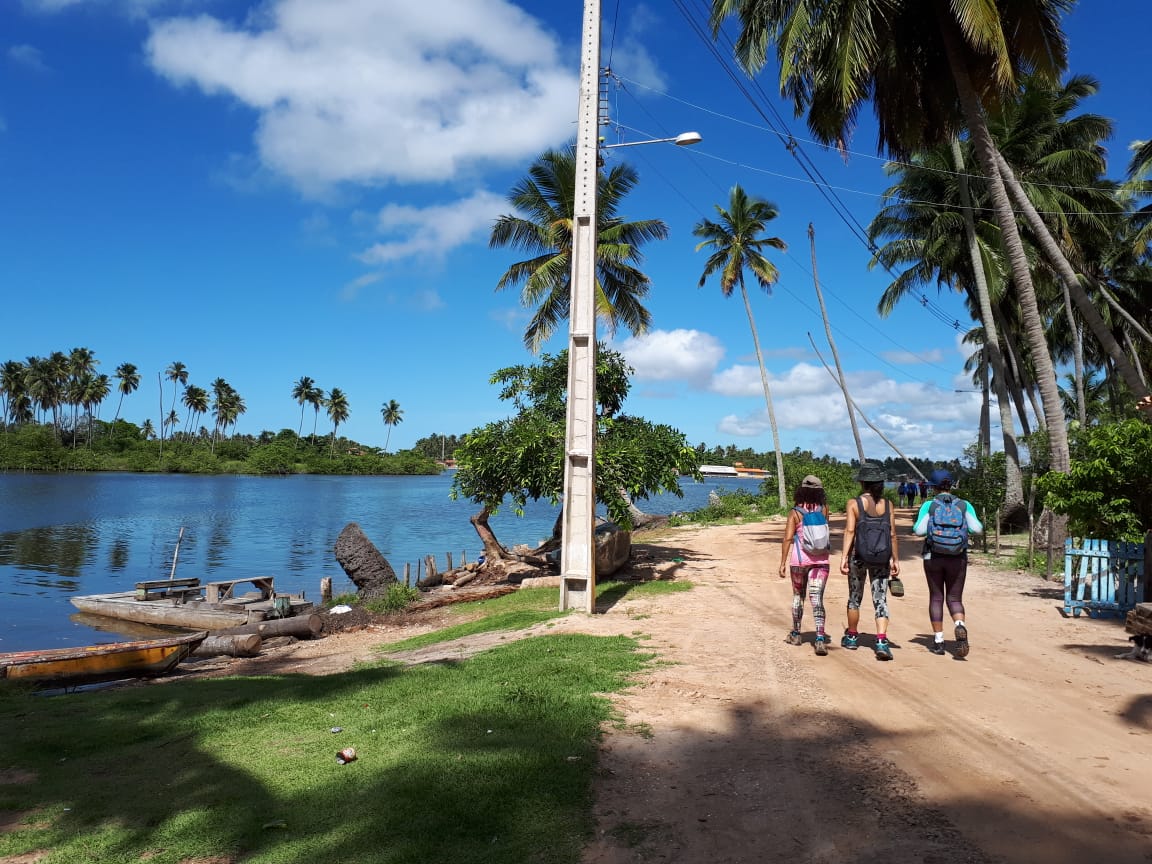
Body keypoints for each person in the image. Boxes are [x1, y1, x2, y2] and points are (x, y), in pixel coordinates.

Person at [913, 469, 984, 657]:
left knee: (936, 597)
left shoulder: (930, 506)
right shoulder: (963, 505)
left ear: (933, 488)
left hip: (932, 556)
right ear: (951, 485)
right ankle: (960, 625)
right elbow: (977, 528)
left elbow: (919, 530)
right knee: (955, 598)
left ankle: (938, 641)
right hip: (958, 557)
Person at [840, 462, 900, 660]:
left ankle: (852, 636)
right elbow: (892, 534)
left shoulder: (854, 504)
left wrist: (843, 557)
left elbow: (849, 531)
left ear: (863, 482)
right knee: (880, 599)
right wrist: (895, 559)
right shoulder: (888, 505)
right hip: (882, 558)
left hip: (858, 557)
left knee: (854, 598)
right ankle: (882, 640)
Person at [778, 475, 832, 656]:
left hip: (799, 561)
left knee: (798, 597)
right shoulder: (824, 509)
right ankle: (819, 638)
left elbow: (787, 538)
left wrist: (782, 563)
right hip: (821, 561)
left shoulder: (795, 512)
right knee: (817, 599)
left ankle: (795, 633)